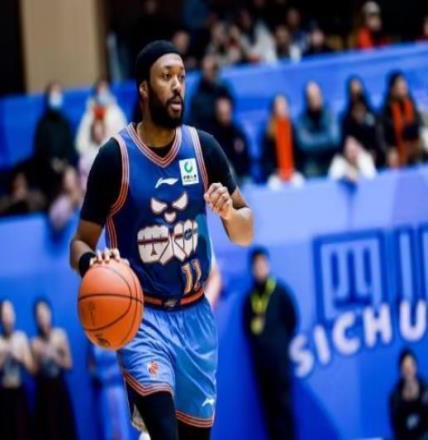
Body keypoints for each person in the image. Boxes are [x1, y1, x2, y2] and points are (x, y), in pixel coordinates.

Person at [70, 40, 253, 440]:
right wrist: (91, 264)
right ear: (143, 88)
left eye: (181, 77)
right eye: (166, 76)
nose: (177, 85)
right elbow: (79, 244)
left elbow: (246, 230)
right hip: (142, 319)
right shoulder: (115, 158)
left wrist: (228, 213)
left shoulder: (203, 149)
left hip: (196, 317)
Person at [242, 247, 297, 440]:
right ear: (252, 269)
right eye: (256, 266)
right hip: (261, 365)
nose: (260, 269)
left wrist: (279, 344)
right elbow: (247, 330)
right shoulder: (249, 299)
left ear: (268, 265)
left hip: (280, 363)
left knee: (284, 408)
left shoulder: (280, 292)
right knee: (268, 410)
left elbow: (292, 320)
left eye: (263, 264)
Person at [30, 299, 77, 440]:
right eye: (39, 315)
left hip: (59, 388)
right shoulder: (34, 343)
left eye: (45, 313)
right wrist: (40, 358)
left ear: (50, 313)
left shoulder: (60, 335)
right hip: (43, 392)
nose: (43, 318)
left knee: (65, 428)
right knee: (46, 431)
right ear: (35, 319)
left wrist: (56, 358)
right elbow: (33, 373)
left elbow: (69, 365)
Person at [0, 299, 35, 440]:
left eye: (11, 313)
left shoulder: (21, 337)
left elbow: (32, 370)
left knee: (22, 433)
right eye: (5, 315)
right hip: (3, 394)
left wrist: (20, 358)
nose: (8, 318)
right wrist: (5, 355)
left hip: (19, 393)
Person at [31, 82, 76, 200]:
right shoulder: (42, 124)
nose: (56, 97)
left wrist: (65, 163)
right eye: (53, 94)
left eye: (58, 94)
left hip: (65, 168)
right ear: (48, 98)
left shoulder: (65, 123)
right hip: (47, 172)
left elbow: (70, 147)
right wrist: (52, 163)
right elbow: (40, 150)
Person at [295, 81, 340, 177]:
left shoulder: (330, 114)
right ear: (306, 99)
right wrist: (326, 139)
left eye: (317, 96)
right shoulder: (302, 120)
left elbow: (334, 139)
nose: (315, 99)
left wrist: (313, 140)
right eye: (311, 97)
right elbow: (304, 144)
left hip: (332, 159)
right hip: (312, 163)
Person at [88, 345, 132, 440]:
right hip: (104, 392)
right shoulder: (93, 344)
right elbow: (91, 367)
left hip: (119, 391)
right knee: (108, 426)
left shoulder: (120, 341)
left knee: (122, 425)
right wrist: (101, 376)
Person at [381, 72, 424, 168]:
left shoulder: (412, 105)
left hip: (415, 145)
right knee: (392, 156)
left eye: (404, 84)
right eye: (400, 84)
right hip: (397, 149)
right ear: (392, 89)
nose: (403, 87)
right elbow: (382, 137)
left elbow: (419, 125)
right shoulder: (386, 111)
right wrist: (389, 150)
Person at [261, 94, 304, 189]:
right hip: (276, 174)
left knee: (299, 182)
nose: (282, 108)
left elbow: (300, 153)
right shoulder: (267, 133)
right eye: (279, 105)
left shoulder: (293, 129)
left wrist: (294, 169)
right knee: (273, 185)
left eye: (284, 105)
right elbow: (265, 159)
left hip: (293, 172)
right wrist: (276, 172)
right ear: (273, 109)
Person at [75, 79, 127, 157]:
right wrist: (89, 155)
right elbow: (81, 142)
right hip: (92, 156)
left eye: (105, 90)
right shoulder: (89, 115)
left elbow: (123, 138)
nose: (103, 93)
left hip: (113, 155)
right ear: (96, 93)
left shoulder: (117, 113)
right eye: (100, 90)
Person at [341, 77, 383, 165]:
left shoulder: (373, 115)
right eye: (353, 93)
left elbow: (378, 138)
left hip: (371, 155)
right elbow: (344, 142)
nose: (356, 96)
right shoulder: (346, 119)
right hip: (351, 157)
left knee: (365, 161)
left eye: (358, 92)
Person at [389, 348, 428, 440]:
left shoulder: (425, 390)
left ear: (415, 367)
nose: (409, 370)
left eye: (411, 366)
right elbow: (396, 428)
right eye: (405, 368)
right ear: (401, 371)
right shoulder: (395, 397)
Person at [210, 96, 251, 183]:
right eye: (222, 113)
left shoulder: (238, 133)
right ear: (217, 113)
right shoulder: (211, 136)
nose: (225, 117)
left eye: (227, 113)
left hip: (239, 178)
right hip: (219, 179)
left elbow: (246, 160)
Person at [189, 54, 233, 132]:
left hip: (224, 129)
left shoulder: (223, 87)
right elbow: (197, 118)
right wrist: (217, 109)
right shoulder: (197, 93)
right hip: (207, 130)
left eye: (212, 69)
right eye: (206, 70)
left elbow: (230, 106)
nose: (209, 73)